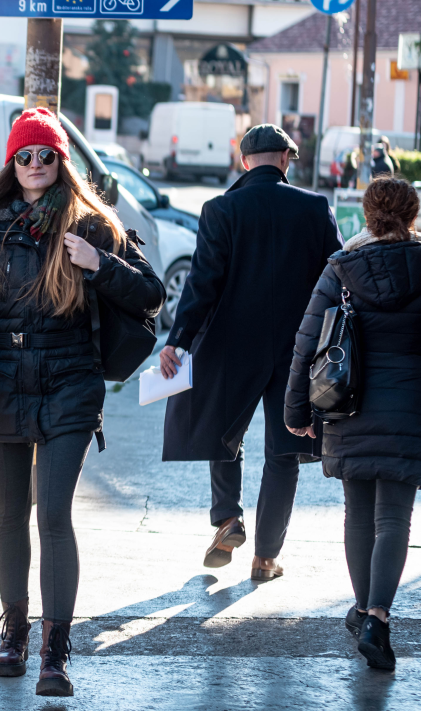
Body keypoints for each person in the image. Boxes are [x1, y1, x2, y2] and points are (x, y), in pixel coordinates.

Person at [0, 108, 164, 697]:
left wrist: (100, 266)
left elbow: (151, 294)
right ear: (11, 163)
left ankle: (55, 648)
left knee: (54, 516)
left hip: (70, 383)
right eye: (25, 156)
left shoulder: (94, 225)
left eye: (46, 155)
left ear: (61, 161)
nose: (36, 165)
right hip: (0, 386)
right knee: (10, 514)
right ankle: (14, 632)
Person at [159, 123, 342, 580]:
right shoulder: (315, 208)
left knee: (223, 434)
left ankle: (227, 517)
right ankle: (265, 558)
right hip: (297, 350)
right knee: (285, 450)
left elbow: (202, 284)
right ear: (285, 159)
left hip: (230, 345)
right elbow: (338, 280)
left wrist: (178, 340)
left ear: (244, 162)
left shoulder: (220, 209)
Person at [285, 176, 421, 671]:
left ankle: (363, 608)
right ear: (411, 216)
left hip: (349, 407)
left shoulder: (341, 269)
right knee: (394, 520)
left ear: (366, 215)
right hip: (409, 411)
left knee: (358, 515)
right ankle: (378, 619)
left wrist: (297, 413)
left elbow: (307, 345)